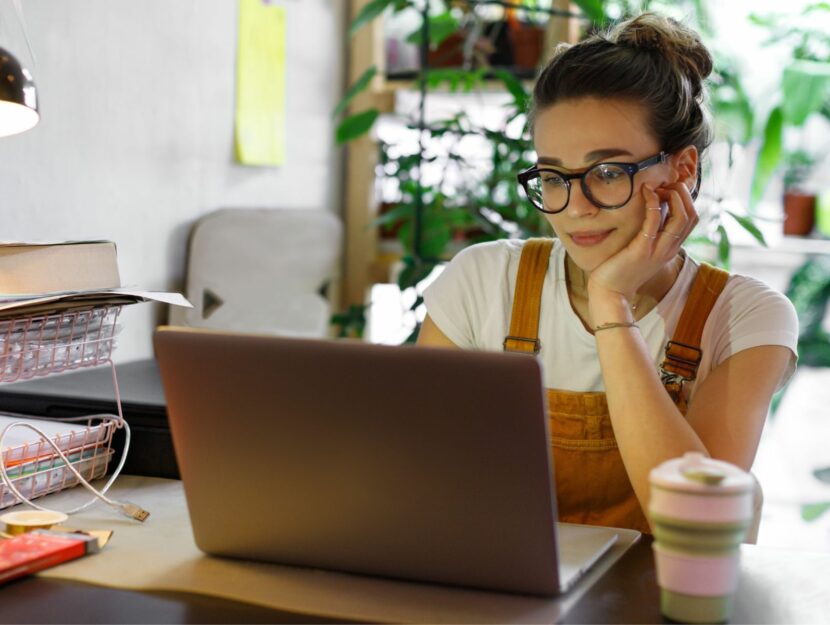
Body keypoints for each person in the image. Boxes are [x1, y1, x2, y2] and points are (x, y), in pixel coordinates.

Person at [417, 12, 798, 535]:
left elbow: (700, 523)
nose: (575, 207)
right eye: (553, 176)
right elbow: (418, 478)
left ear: (682, 170)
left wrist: (611, 304)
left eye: (608, 172)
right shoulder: (484, 280)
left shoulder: (745, 317)